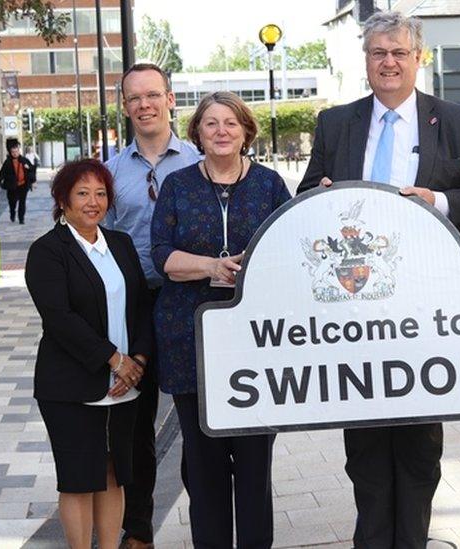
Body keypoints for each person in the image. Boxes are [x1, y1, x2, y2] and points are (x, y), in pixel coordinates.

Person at [297, 11, 460, 547]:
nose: (388, 62)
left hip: (425, 314)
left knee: (417, 449)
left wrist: (440, 202)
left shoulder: (455, 119)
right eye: (378, 53)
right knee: (363, 451)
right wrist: (319, 195)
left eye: (399, 53)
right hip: (354, 315)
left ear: (418, 59)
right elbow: (302, 198)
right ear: (365, 61)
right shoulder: (335, 123)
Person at [151, 91, 290, 548]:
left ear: (246, 131)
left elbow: (292, 251)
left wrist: (258, 264)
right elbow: (162, 255)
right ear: (197, 134)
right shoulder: (176, 185)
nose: (221, 131)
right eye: (210, 124)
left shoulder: (270, 185)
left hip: (256, 345)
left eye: (230, 123)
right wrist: (212, 266)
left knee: (253, 467)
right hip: (191, 342)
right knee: (204, 466)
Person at [25, 159, 154, 549]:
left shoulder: (121, 243)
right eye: (82, 193)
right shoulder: (47, 251)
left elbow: (141, 307)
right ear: (63, 200)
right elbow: (60, 318)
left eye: (100, 193)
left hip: (126, 384)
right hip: (71, 385)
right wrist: (115, 361)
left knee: (114, 473)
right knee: (80, 479)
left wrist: (139, 363)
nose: (92, 202)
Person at [103, 62, 201, 549]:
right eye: (134, 98)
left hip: (191, 304)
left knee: (194, 421)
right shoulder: (111, 173)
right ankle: (138, 531)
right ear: (125, 107)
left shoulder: (199, 162)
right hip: (135, 310)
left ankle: (204, 517)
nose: (144, 104)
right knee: (135, 428)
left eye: (152, 95)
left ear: (169, 100)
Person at [0, 138, 36, 223]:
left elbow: (32, 169)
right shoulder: (8, 162)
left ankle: (21, 219)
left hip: (23, 185)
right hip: (12, 186)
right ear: (10, 152)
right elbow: (2, 173)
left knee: (22, 202)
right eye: (13, 152)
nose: (15, 153)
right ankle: (12, 214)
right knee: (12, 203)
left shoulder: (24, 160)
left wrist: (29, 169)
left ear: (19, 151)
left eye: (16, 152)